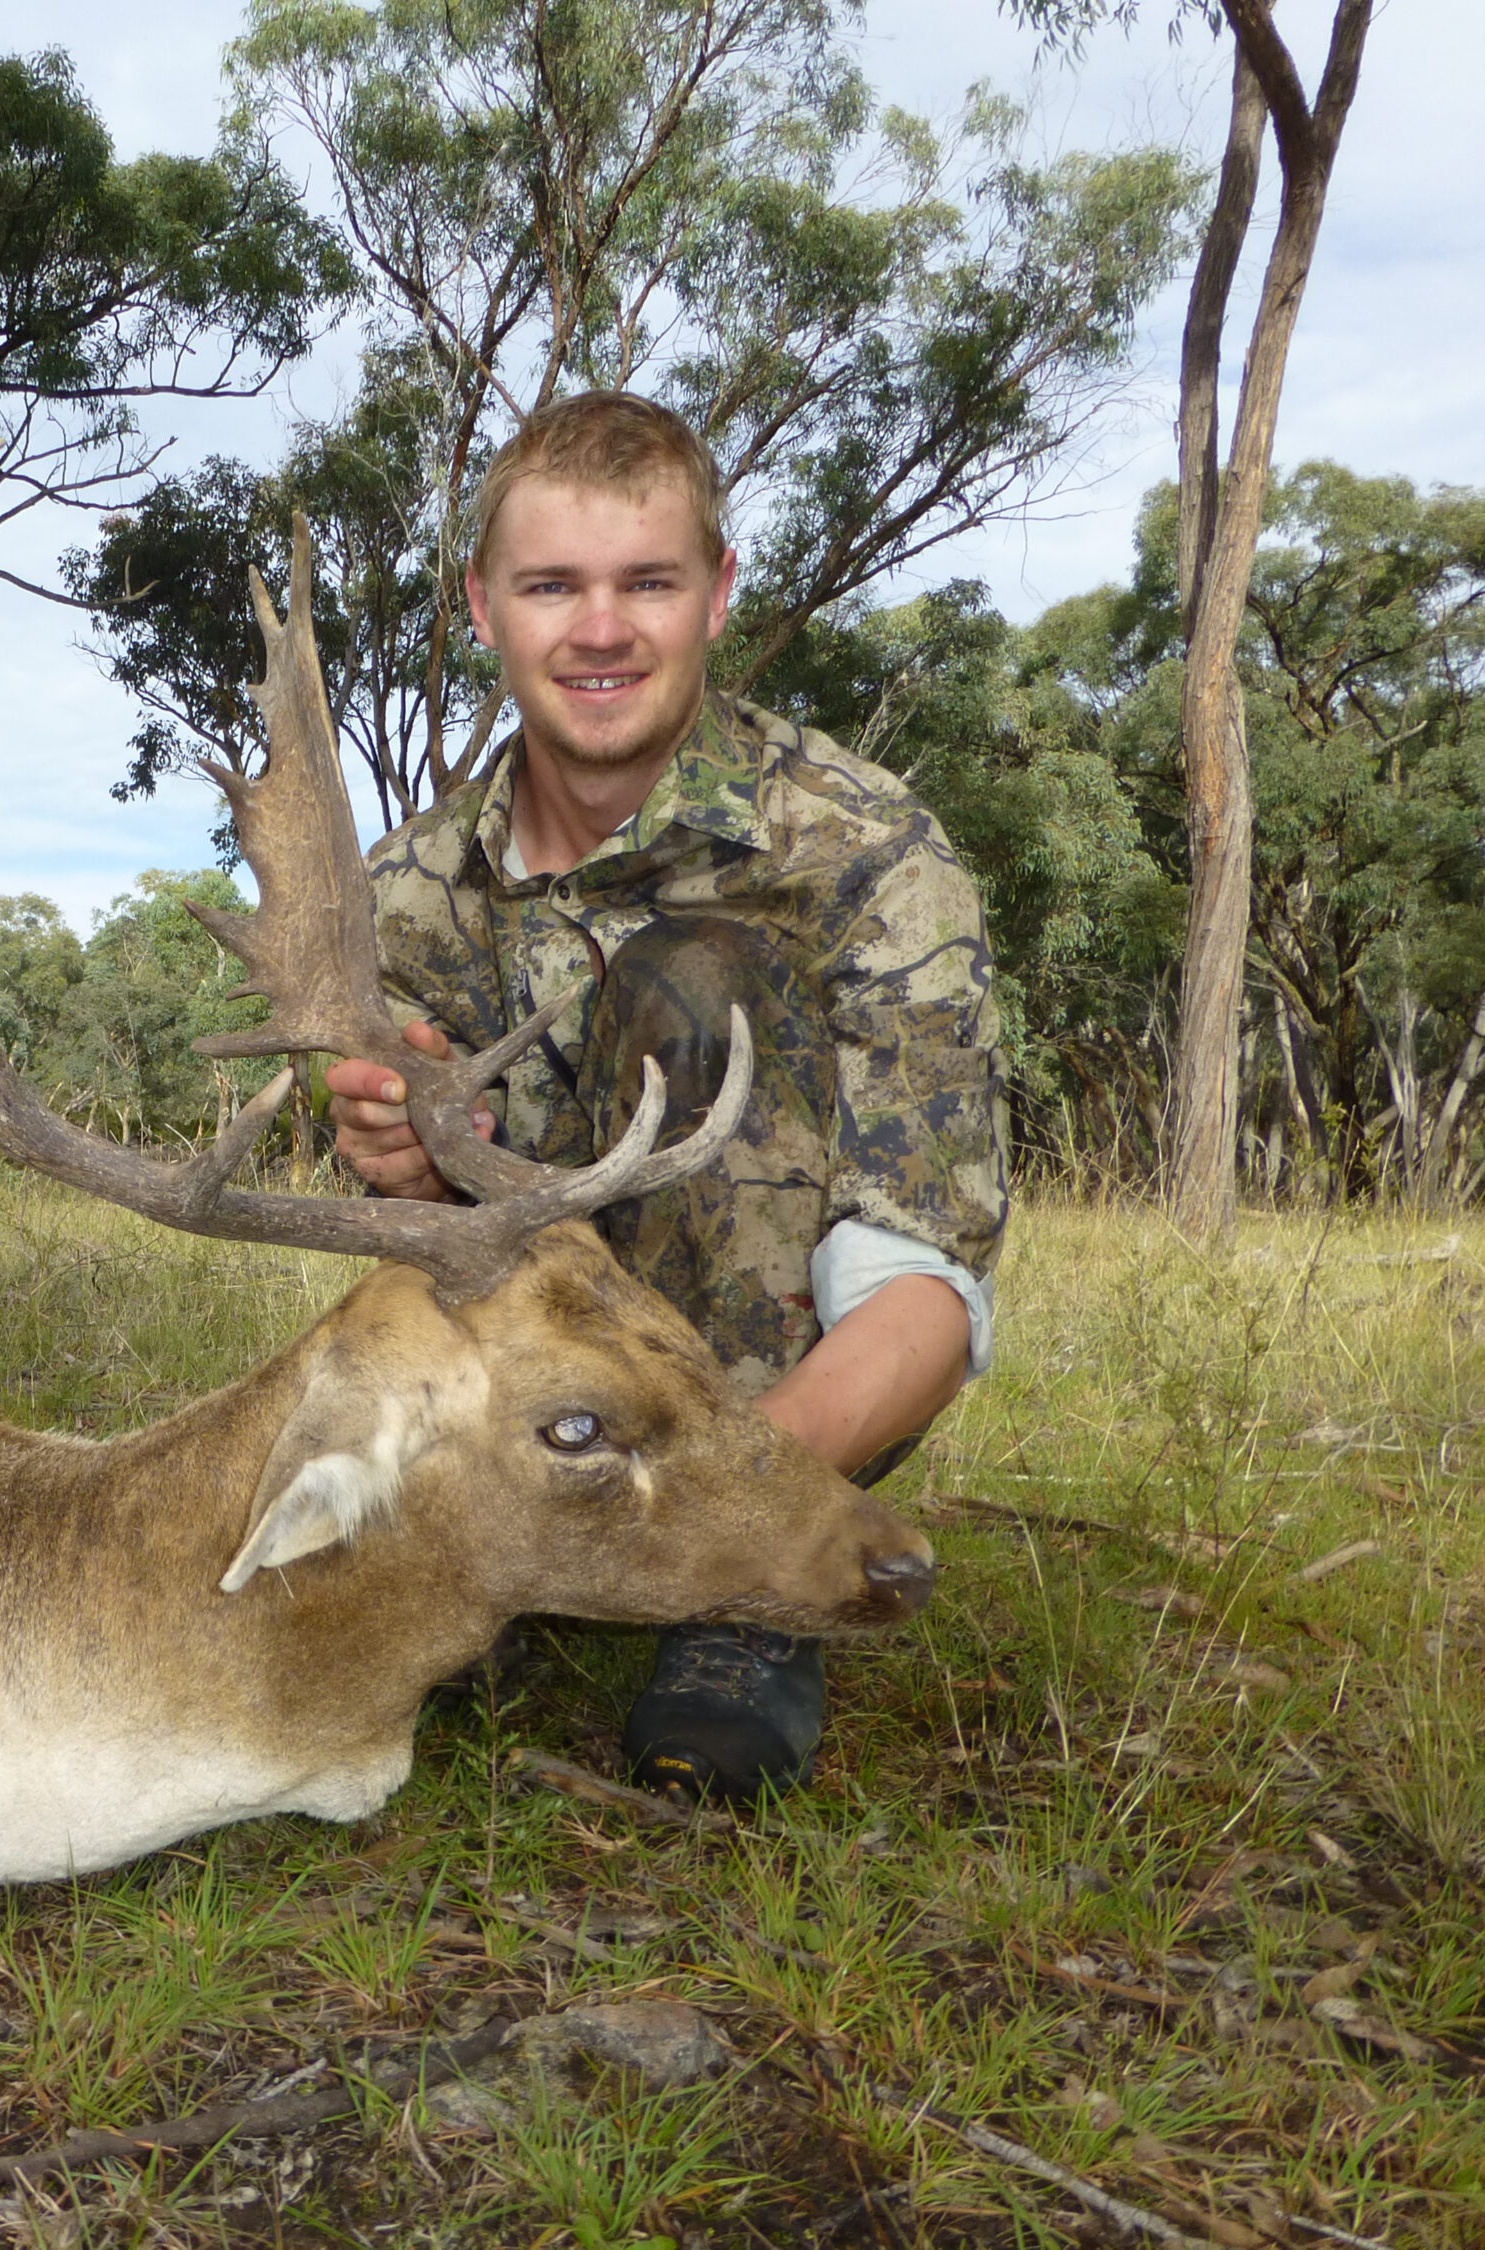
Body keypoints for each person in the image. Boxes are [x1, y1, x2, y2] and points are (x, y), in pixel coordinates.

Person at [326, 391, 1008, 1800]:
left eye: (648, 581)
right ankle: (506, 1552)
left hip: (769, 1420)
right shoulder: (400, 890)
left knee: (699, 978)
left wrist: (724, 1511)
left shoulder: (866, 854)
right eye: (551, 585)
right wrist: (397, 1156)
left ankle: (737, 1604)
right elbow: (392, 1239)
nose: (601, 629)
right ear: (483, 605)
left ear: (717, 594)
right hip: (517, 1421)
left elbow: (928, 1291)